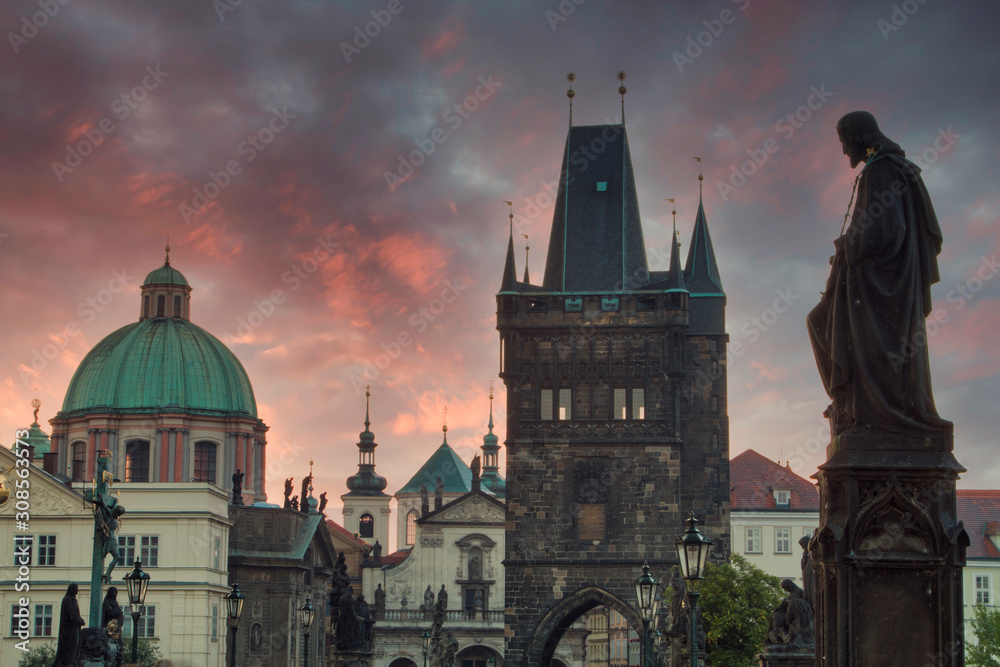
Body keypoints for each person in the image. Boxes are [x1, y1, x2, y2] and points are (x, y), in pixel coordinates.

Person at [807, 111, 952, 439]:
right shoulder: (889, 169)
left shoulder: (882, 171)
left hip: (879, 287)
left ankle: (864, 407)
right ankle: (852, 402)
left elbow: (888, 230)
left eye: (844, 142)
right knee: (819, 321)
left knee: (820, 322)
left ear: (858, 137)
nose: (844, 151)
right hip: (879, 281)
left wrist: (847, 246)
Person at [53, 583, 86, 666]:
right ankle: (69, 663)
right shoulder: (67, 600)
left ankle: (73, 662)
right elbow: (71, 615)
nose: (77, 591)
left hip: (75, 627)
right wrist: (79, 620)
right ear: (72, 589)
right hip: (69, 629)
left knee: (76, 645)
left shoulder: (74, 600)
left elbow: (76, 614)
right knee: (72, 645)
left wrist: (80, 619)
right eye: (76, 589)